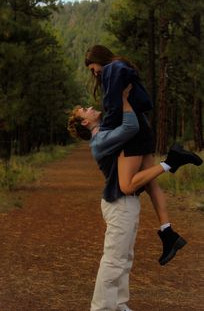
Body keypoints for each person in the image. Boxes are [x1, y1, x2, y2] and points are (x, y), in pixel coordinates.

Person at [67, 88, 202, 311]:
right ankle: (101, 308)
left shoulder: (104, 134)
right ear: (84, 123)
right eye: (85, 110)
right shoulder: (100, 140)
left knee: (125, 258)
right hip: (119, 204)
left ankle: (119, 304)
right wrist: (122, 99)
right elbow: (129, 128)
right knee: (113, 260)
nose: (90, 108)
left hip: (126, 203)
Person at [84, 44, 202, 266]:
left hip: (133, 133)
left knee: (127, 185)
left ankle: (172, 161)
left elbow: (113, 101)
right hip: (142, 128)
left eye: (93, 68)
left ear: (99, 59)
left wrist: (112, 115)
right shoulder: (118, 66)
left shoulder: (112, 68)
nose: (95, 73)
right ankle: (168, 232)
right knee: (150, 183)